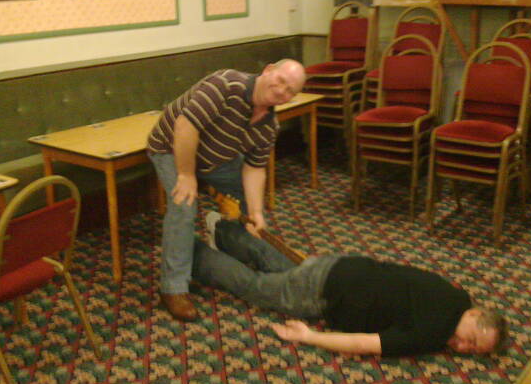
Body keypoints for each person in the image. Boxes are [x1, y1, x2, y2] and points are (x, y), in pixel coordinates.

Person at [191, 212, 508, 356]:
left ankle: (225, 231)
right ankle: (192, 254)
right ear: (475, 315)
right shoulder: (432, 333)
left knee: (281, 269)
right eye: (471, 340)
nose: (462, 347)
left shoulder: (458, 297)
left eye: (472, 351)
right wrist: (309, 336)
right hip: (324, 293)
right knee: (255, 286)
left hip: (342, 265)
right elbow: (364, 344)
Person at [147, 60, 307, 321]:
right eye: (280, 80)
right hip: (172, 148)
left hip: (214, 157)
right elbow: (185, 126)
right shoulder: (226, 84)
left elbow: (254, 169)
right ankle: (173, 288)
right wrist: (187, 175)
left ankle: (224, 238)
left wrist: (255, 212)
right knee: (184, 206)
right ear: (268, 70)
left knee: (246, 198)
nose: (281, 91)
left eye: (290, 91)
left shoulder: (269, 126)